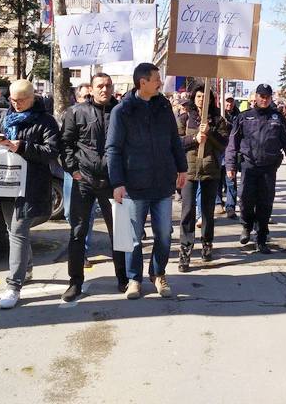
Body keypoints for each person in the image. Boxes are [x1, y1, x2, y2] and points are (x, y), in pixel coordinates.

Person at [106, 63, 187, 300]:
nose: (160, 83)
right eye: (156, 79)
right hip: (134, 185)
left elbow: (174, 140)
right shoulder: (122, 111)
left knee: (164, 233)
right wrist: (117, 182)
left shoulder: (164, 108)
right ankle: (134, 279)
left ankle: (158, 273)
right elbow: (113, 149)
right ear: (143, 82)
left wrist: (182, 168)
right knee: (134, 237)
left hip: (162, 184)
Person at [0, 79, 61, 309]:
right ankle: (26, 270)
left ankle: (14, 286)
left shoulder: (45, 121)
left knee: (17, 230)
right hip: (4, 183)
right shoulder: (3, 117)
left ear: (32, 98)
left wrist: (22, 146)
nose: (15, 104)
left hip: (30, 185)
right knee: (11, 230)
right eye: (13, 100)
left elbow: (52, 151)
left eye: (21, 100)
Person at [60, 72, 127, 301]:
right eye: (100, 85)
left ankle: (123, 278)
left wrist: (123, 177)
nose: (104, 90)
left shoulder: (122, 112)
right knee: (78, 232)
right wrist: (73, 170)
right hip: (84, 181)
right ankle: (75, 282)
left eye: (108, 85)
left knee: (119, 233)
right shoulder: (76, 112)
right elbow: (66, 144)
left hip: (113, 182)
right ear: (92, 88)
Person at [225, 83, 286, 254]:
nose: (264, 99)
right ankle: (246, 226)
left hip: (268, 167)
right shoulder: (244, 117)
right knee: (245, 199)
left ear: (270, 98)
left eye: (267, 96)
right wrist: (230, 164)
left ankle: (261, 237)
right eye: (261, 96)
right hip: (248, 166)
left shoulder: (277, 118)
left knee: (265, 204)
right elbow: (232, 144)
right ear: (255, 97)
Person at [177, 83, 230, 271]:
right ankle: (185, 249)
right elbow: (176, 143)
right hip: (189, 171)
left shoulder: (218, 120)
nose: (201, 100)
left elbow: (224, 144)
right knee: (187, 211)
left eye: (204, 96)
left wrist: (211, 133)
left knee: (207, 212)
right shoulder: (185, 119)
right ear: (193, 98)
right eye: (198, 96)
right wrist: (194, 139)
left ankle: (207, 243)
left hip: (211, 171)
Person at [222, 96, 241, 219]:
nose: (229, 103)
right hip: (219, 150)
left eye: (231, 101)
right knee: (218, 180)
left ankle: (230, 206)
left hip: (232, 151)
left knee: (230, 180)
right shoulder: (218, 114)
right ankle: (218, 202)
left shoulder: (239, 116)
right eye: (227, 101)